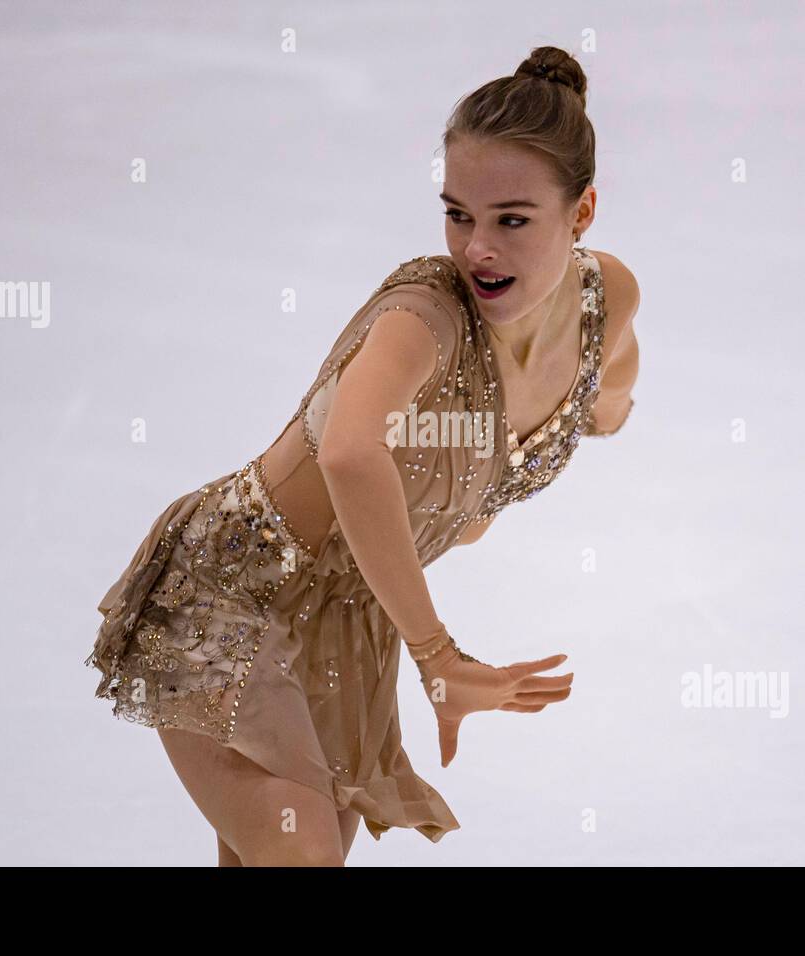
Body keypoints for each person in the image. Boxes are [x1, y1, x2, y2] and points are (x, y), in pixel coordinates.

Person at [84, 45, 640, 866]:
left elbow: (610, 401)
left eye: (511, 220)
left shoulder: (605, 303)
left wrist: (592, 411)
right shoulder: (424, 314)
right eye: (458, 214)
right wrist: (439, 657)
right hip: (236, 589)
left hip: (346, 623)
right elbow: (350, 453)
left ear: (582, 211)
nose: (477, 248)